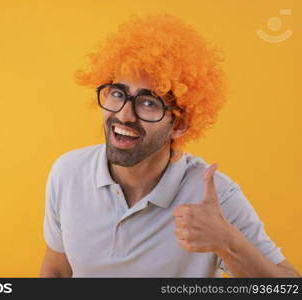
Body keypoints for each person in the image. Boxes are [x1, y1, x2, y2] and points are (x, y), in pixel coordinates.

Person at [40, 13, 300, 277]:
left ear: (180, 124)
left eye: (149, 103)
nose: (124, 115)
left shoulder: (215, 197)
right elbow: (57, 270)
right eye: (118, 94)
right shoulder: (68, 172)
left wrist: (229, 243)